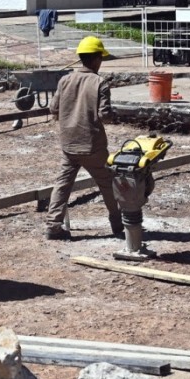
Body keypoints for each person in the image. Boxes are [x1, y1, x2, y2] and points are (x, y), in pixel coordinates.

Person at [44, 36, 124, 241]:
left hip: (69, 144)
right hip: (92, 146)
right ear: (97, 59)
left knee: (62, 184)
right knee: (107, 183)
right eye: (101, 58)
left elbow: (53, 108)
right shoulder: (99, 82)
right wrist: (116, 116)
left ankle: (53, 226)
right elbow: (103, 114)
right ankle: (118, 225)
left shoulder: (65, 80)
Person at [108, 134, 171, 260]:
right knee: (131, 205)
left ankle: (132, 247)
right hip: (134, 177)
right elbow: (149, 186)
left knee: (129, 204)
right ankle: (134, 248)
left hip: (130, 173)